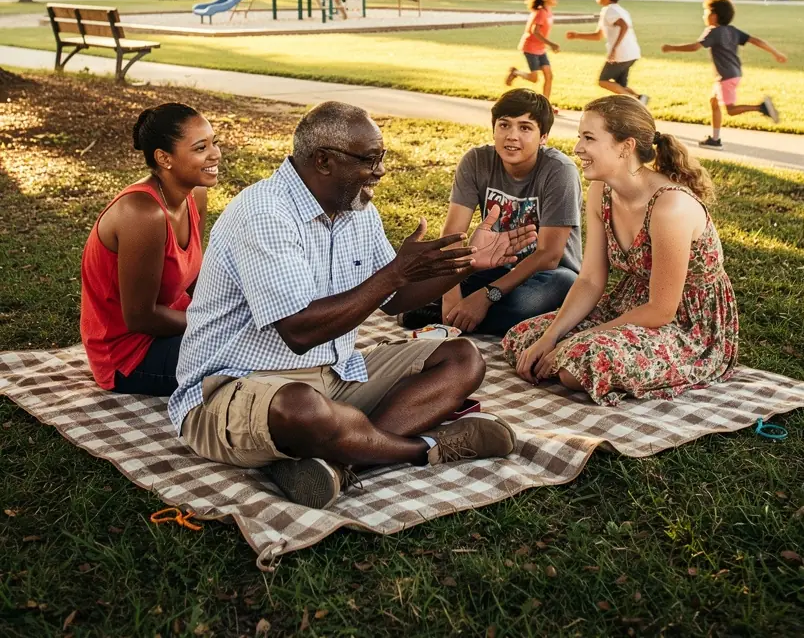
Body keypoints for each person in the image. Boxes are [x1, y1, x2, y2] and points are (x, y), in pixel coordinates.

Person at [169, 102, 536, 510]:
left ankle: (336, 459)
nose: (380, 170)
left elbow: (393, 298)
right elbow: (299, 332)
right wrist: (396, 272)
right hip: (231, 389)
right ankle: (423, 448)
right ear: (323, 161)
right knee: (303, 409)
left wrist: (466, 263)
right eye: (369, 159)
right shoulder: (265, 213)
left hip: (332, 375)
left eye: (381, 157)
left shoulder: (356, 209)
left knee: (462, 358)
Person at [503, 96, 739, 405]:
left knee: (579, 366)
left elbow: (661, 309)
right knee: (523, 337)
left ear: (625, 147)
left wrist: (582, 339)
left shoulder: (670, 206)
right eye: (579, 137)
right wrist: (552, 336)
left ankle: (580, 353)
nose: (577, 148)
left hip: (687, 325)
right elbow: (589, 280)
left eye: (589, 138)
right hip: (631, 306)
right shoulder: (601, 190)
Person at [399, 89, 582, 337]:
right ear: (494, 129)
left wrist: (485, 298)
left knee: (544, 293)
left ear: (543, 137)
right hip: (492, 263)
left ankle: (445, 315)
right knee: (416, 280)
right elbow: (453, 234)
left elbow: (549, 255)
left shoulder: (559, 171)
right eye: (504, 125)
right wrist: (450, 296)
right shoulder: (476, 161)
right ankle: (462, 315)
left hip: (545, 274)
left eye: (525, 128)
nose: (512, 136)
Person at [81, 104, 219, 396]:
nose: (215, 154)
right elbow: (140, 317)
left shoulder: (196, 193)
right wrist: (211, 324)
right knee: (249, 358)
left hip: (173, 323)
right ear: (164, 158)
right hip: (128, 354)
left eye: (213, 142)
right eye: (200, 148)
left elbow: (195, 277)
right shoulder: (142, 214)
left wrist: (225, 313)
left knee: (262, 337)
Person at [661, 0, 786, 148]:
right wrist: (775, 53)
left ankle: (761, 108)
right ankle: (715, 139)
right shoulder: (732, 31)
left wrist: (671, 48)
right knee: (714, 102)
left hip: (726, 77)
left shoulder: (713, 32)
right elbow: (756, 40)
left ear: (714, 16)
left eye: (706, 12)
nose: (704, 16)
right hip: (734, 73)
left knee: (731, 110)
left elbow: (694, 47)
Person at [565, 0, 648, 102]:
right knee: (621, 87)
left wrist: (614, 49)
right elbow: (598, 35)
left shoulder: (609, 10)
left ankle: (637, 101)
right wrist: (577, 35)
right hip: (631, 53)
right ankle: (641, 99)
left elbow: (623, 26)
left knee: (603, 80)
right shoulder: (619, 10)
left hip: (621, 54)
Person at [505, 0, 560, 102]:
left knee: (549, 76)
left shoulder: (548, 11)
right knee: (534, 78)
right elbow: (535, 31)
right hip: (530, 47)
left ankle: (546, 104)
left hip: (540, 49)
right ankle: (515, 72)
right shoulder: (541, 12)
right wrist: (551, 44)